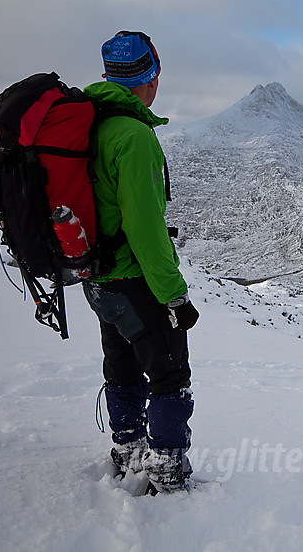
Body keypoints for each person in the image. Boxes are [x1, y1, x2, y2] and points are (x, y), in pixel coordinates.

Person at [82, 31, 199, 494]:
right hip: (134, 280)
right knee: (170, 375)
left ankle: (128, 449)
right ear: (151, 76)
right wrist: (174, 296)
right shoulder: (133, 136)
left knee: (122, 366)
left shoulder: (90, 123)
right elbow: (146, 231)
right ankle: (167, 472)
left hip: (97, 279)